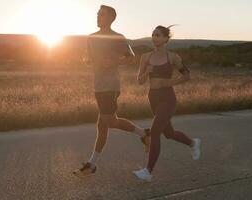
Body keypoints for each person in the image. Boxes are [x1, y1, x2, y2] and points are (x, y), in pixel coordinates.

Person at [73, 5, 150, 177]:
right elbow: (88, 57)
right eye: (97, 14)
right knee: (107, 123)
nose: (98, 17)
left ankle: (92, 165)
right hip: (98, 85)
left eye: (101, 14)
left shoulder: (118, 38)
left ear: (110, 18)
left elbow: (131, 57)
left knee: (105, 123)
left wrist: (114, 62)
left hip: (110, 85)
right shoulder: (91, 38)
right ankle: (144, 134)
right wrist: (86, 59)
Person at [133, 25, 202, 182]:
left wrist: (170, 82)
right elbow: (139, 81)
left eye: (158, 35)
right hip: (153, 97)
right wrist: (147, 72)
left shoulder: (173, 57)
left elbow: (186, 75)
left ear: (166, 39)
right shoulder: (145, 57)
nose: (154, 38)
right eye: (153, 35)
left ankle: (148, 172)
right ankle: (192, 142)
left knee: (156, 132)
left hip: (168, 98)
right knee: (169, 134)